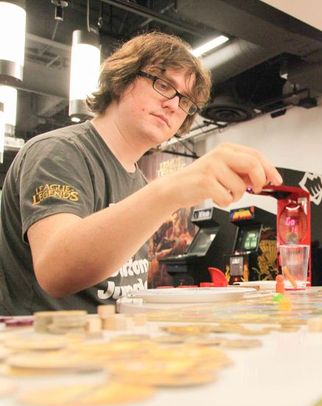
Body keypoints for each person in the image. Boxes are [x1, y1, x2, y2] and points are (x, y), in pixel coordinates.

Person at [0, 32, 282, 314]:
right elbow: (56, 270)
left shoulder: (138, 181)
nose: (174, 105)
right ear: (122, 79)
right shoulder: (57, 152)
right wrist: (169, 191)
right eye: (163, 84)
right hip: (45, 352)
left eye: (186, 101)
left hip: (111, 348)